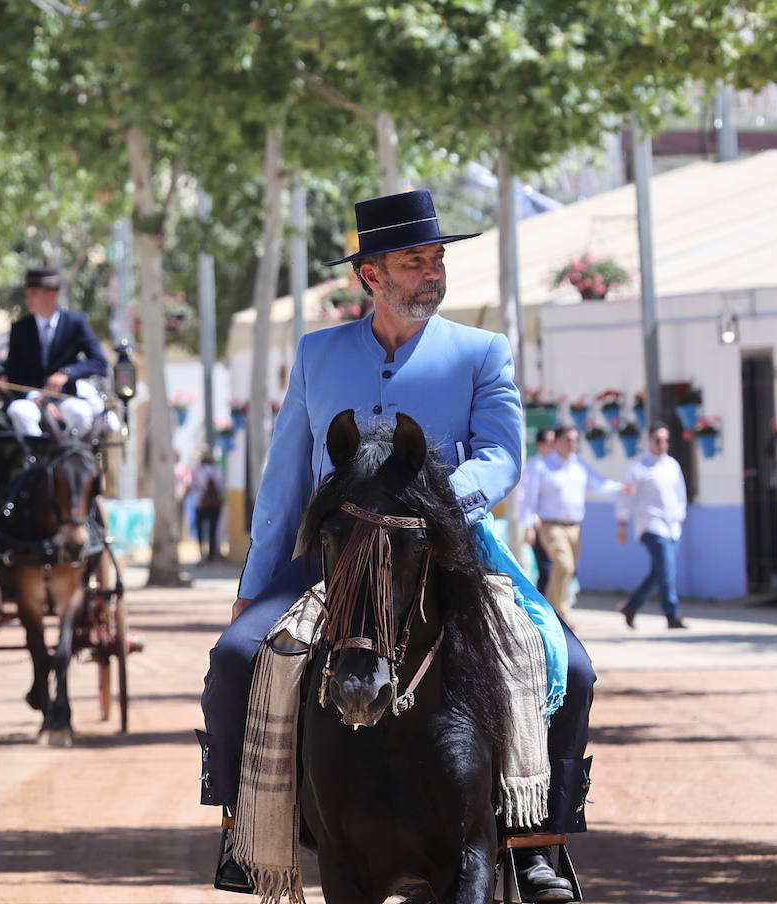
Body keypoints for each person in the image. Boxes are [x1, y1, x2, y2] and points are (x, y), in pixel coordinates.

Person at [200, 190, 594, 903]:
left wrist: (433, 505)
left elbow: (502, 456)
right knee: (234, 657)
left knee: (571, 665)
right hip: (333, 556)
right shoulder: (318, 355)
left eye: (437, 259)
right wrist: (253, 587)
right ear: (370, 275)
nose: (432, 273)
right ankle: (242, 826)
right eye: (415, 261)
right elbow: (284, 483)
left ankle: (539, 840)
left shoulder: (480, 352)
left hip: (447, 549)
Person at [521, 425, 624, 620]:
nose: (572, 444)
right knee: (564, 565)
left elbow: (599, 484)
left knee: (568, 571)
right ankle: (558, 613)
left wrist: (622, 489)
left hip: (574, 527)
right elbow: (529, 497)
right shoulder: (542, 466)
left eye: (575, 440)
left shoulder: (579, 466)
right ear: (557, 441)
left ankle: (552, 610)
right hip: (550, 526)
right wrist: (529, 525)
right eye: (568, 439)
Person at [4, 267, 111, 438]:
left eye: (34, 293)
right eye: (28, 292)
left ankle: (69, 450)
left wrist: (66, 373)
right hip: (33, 400)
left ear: (51, 294)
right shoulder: (20, 329)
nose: (28, 298)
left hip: (66, 398)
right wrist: (35, 397)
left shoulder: (75, 323)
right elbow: (13, 375)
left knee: (81, 413)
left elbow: (99, 362)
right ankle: (38, 453)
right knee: (18, 411)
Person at [615, 421, 688, 629]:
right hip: (651, 526)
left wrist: (680, 516)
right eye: (658, 440)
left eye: (665, 440)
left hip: (672, 527)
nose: (662, 444)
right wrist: (622, 524)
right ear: (649, 441)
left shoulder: (673, 465)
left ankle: (631, 606)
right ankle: (672, 614)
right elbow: (626, 498)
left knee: (661, 571)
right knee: (666, 567)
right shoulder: (639, 468)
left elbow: (680, 493)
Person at [516, 427, 557, 593]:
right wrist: (530, 524)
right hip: (539, 524)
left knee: (560, 567)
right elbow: (527, 497)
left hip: (555, 523)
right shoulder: (535, 466)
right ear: (540, 444)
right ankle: (544, 603)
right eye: (550, 442)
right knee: (546, 567)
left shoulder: (559, 466)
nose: (554, 446)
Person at [188, 447, 225, 563]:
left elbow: (193, 486)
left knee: (200, 528)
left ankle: (201, 551)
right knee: (213, 529)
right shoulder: (218, 470)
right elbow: (221, 486)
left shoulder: (197, 470)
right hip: (215, 503)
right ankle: (211, 554)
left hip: (200, 503)